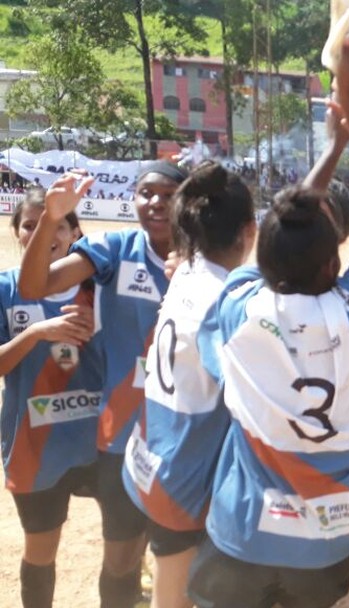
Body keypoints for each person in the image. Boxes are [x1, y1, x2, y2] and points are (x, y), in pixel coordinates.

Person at [184, 41, 349, 608]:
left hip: (242, 535)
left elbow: (285, 224)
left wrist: (333, 145)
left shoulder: (239, 301)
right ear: (335, 264)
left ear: (264, 258)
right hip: (322, 547)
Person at [20, 162, 188, 608]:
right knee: (121, 562)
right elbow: (35, 285)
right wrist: (53, 218)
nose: (155, 202)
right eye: (146, 193)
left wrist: (194, 275)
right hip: (125, 443)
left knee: (186, 564)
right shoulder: (114, 248)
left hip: (188, 439)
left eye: (168, 194)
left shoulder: (206, 259)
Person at [121, 162, 256, 608]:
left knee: (171, 579)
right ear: (248, 231)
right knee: (174, 596)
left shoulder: (186, 272)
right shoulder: (227, 297)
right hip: (183, 473)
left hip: (151, 451)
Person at [0, 191, 99, 608]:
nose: (44, 232)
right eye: (31, 224)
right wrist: (36, 333)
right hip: (34, 444)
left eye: (57, 223)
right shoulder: (6, 290)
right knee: (41, 551)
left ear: (76, 232)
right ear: (18, 233)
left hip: (102, 443)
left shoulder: (101, 286)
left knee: (129, 539)